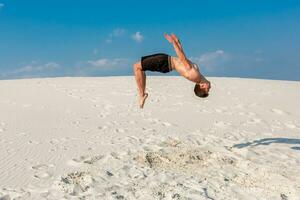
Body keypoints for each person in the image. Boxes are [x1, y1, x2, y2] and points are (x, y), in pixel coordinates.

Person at [133, 33, 211, 108]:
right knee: (140, 68)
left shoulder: (195, 76)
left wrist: (174, 43)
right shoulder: (198, 75)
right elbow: (184, 60)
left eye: (208, 89)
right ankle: (142, 94)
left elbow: (183, 59)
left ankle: (142, 95)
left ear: (202, 86)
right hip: (165, 60)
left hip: (164, 62)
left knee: (137, 67)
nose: (210, 87)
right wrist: (178, 43)